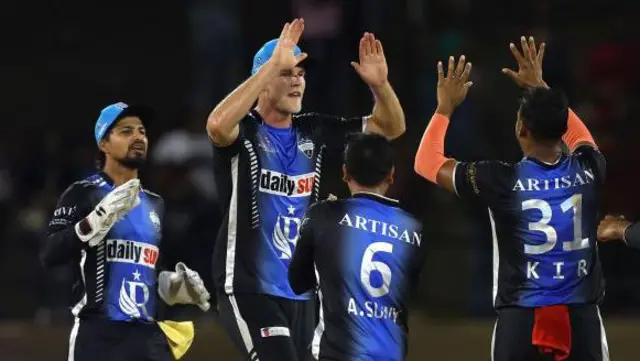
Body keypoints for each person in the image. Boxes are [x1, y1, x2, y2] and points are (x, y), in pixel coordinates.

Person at [207, 18, 406, 361]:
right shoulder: (245, 133)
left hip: (302, 292)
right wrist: (272, 66)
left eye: (301, 73)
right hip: (249, 288)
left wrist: (381, 86)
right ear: (265, 81)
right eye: (288, 73)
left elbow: (392, 128)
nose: (298, 79)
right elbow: (216, 125)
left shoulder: (313, 129)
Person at [413, 38, 609, 361]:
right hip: (582, 320)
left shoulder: (501, 180)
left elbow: (426, 163)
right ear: (562, 129)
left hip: (521, 324)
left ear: (520, 128)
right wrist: (540, 86)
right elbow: (579, 136)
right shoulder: (591, 168)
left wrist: (444, 107)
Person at [40, 102, 211, 361]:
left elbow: (149, 270)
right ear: (104, 144)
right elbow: (50, 254)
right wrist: (93, 223)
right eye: (126, 131)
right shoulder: (83, 193)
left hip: (147, 338)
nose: (138, 137)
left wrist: (171, 287)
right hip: (98, 338)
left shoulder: (155, 203)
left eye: (141, 131)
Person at [288, 133, 425, 361]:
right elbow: (407, 292)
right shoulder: (414, 228)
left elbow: (297, 282)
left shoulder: (324, 215)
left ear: (344, 172)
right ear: (391, 175)